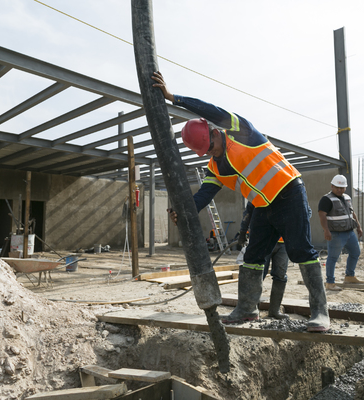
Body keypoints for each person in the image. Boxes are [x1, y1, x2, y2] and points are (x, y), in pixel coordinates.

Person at [152, 71, 330, 332]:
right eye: (206, 151)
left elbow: (212, 109)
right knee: (253, 256)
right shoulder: (214, 167)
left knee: (301, 250)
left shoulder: (242, 131)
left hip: (289, 193)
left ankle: (320, 313)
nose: (211, 151)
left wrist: (173, 98)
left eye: (210, 145)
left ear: (214, 132)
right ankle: (247, 309)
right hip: (262, 206)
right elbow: (202, 196)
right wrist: (183, 211)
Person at [238, 202, 290, 319]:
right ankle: (252, 308)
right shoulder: (260, 190)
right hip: (261, 240)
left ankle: (274, 310)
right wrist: (243, 231)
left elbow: (304, 212)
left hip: (283, 243)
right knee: (257, 272)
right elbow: (248, 212)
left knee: (280, 275)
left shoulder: (289, 192)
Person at [318, 174, 363, 291]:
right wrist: (326, 230)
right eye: (337, 187)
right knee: (333, 258)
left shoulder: (347, 197)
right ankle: (330, 283)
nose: (339, 190)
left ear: (345, 188)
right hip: (336, 234)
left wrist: (358, 226)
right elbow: (322, 215)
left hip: (350, 232)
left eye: (342, 187)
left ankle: (349, 276)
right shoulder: (326, 199)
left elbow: (352, 213)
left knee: (355, 252)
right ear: (332, 186)